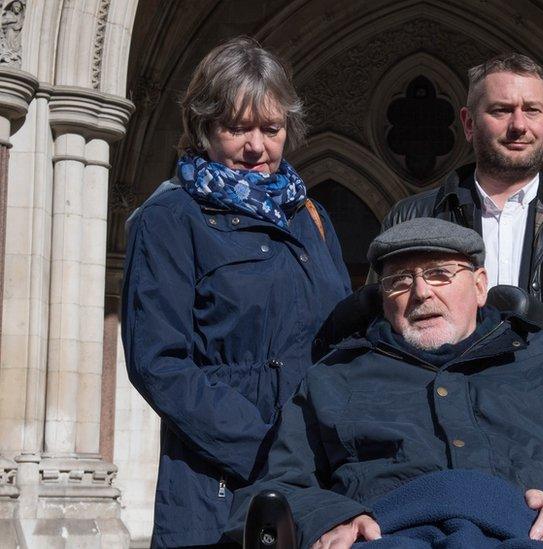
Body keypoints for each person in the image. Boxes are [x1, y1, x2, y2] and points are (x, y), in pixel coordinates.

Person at [229, 218, 543, 549]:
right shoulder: (334, 377)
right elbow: (270, 493)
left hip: (531, 537)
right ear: (382, 299)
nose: (421, 292)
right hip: (393, 538)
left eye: (441, 274)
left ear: (481, 286)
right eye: (400, 281)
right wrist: (331, 518)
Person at [121, 36, 351, 547]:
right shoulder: (170, 218)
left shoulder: (310, 215)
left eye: (271, 128)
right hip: (218, 475)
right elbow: (159, 363)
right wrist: (265, 445)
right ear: (204, 128)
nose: (256, 147)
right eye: (237, 128)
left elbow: (342, 337)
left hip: (316, 470)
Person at [381, 53, 543, 393]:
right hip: (444, 419)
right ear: (468, 123)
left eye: (531, 109)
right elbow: (382, 338)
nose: (519, 125)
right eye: (501, 110)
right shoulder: (411, 219)